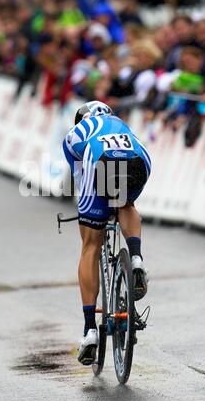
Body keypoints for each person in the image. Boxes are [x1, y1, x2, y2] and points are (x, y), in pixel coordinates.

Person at [63, 101, 151, 365]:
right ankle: (136, 258)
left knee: (90, 245)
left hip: (98, 161)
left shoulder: (74, 135)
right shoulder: (122, 125)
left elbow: (79, 182)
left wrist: (92, 217)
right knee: (126, 203)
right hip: (138, 159)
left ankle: (90, 330)